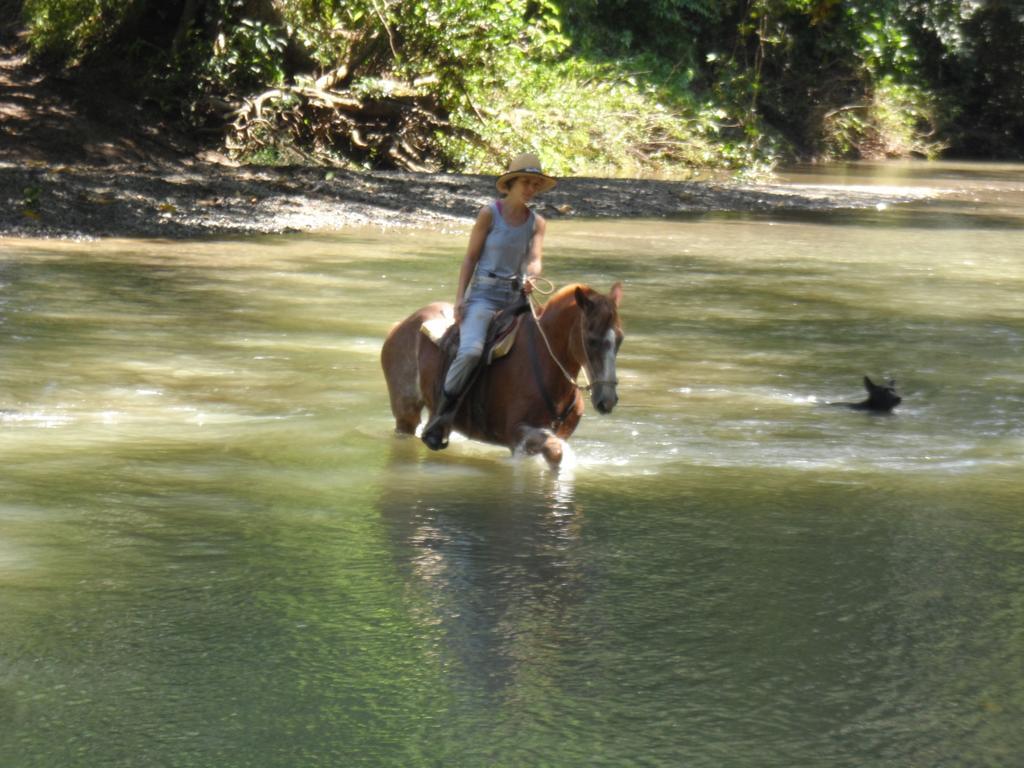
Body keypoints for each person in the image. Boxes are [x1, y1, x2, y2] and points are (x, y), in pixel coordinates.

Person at [421, 152, 557, 450]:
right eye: (525, 182)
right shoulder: (489, 214)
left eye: (535, 184)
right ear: (511, 184)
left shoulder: (537, 223)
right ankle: (441, 417)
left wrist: (532, 276)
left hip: (515, 298)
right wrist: (461, 300)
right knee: (470, 351)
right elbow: (470, 258)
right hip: (482, 297)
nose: (531, 189)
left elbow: (534, 260)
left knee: (544, 347)